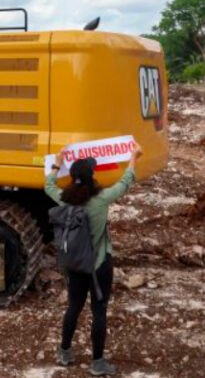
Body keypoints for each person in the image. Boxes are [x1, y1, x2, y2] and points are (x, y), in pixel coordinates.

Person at [44, 143, 143, 376]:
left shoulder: (64, 198)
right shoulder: (102, 199)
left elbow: (48, 184)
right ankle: (97, 362)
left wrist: (57, 162)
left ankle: (65, 352)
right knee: (99, 311)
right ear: (92, 176)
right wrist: (133, 158)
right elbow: (125, 182)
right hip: (99, 265)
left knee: (74, 307)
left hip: (76, 264)